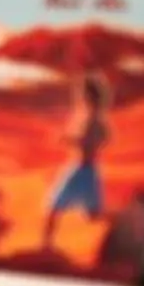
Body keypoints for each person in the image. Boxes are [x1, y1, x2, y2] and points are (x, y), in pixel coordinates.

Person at [44, 71, 113, 260]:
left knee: (54, 207)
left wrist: (69, 139)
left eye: (82, 93)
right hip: (87, 170)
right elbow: (105, 138)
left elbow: (89, 141)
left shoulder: (93, 119)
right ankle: (46, 246)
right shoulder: (93, 118)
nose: (79, 96)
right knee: (91, 214)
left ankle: (45, 248)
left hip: (81, 170)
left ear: (90, 96)